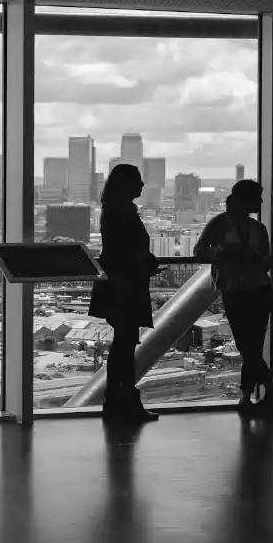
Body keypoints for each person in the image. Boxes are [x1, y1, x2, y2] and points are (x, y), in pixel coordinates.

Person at [194, 180, 273, 416]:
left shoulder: (230, 226)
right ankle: (266, 388)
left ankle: (249, 395)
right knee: (248, 345)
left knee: (248, 345)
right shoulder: (238, 226)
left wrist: (235, 255)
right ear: (246, 200)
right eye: (257, 197)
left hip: (246, 290)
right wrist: (222, 254)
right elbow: (201, 251)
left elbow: (266, 261)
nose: (261, 202)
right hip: (248, 289)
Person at [89, 164, 159, 423]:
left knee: (123, 345)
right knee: (125, 345)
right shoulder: (123, 211)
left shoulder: (112, 209)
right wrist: (145, 262)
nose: (142, 186)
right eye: (138, 181)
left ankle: (116, 400)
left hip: (117, 282)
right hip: (126, 284)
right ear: (127, 185)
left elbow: (117, 249)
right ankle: (125, 401)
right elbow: (128, 249)